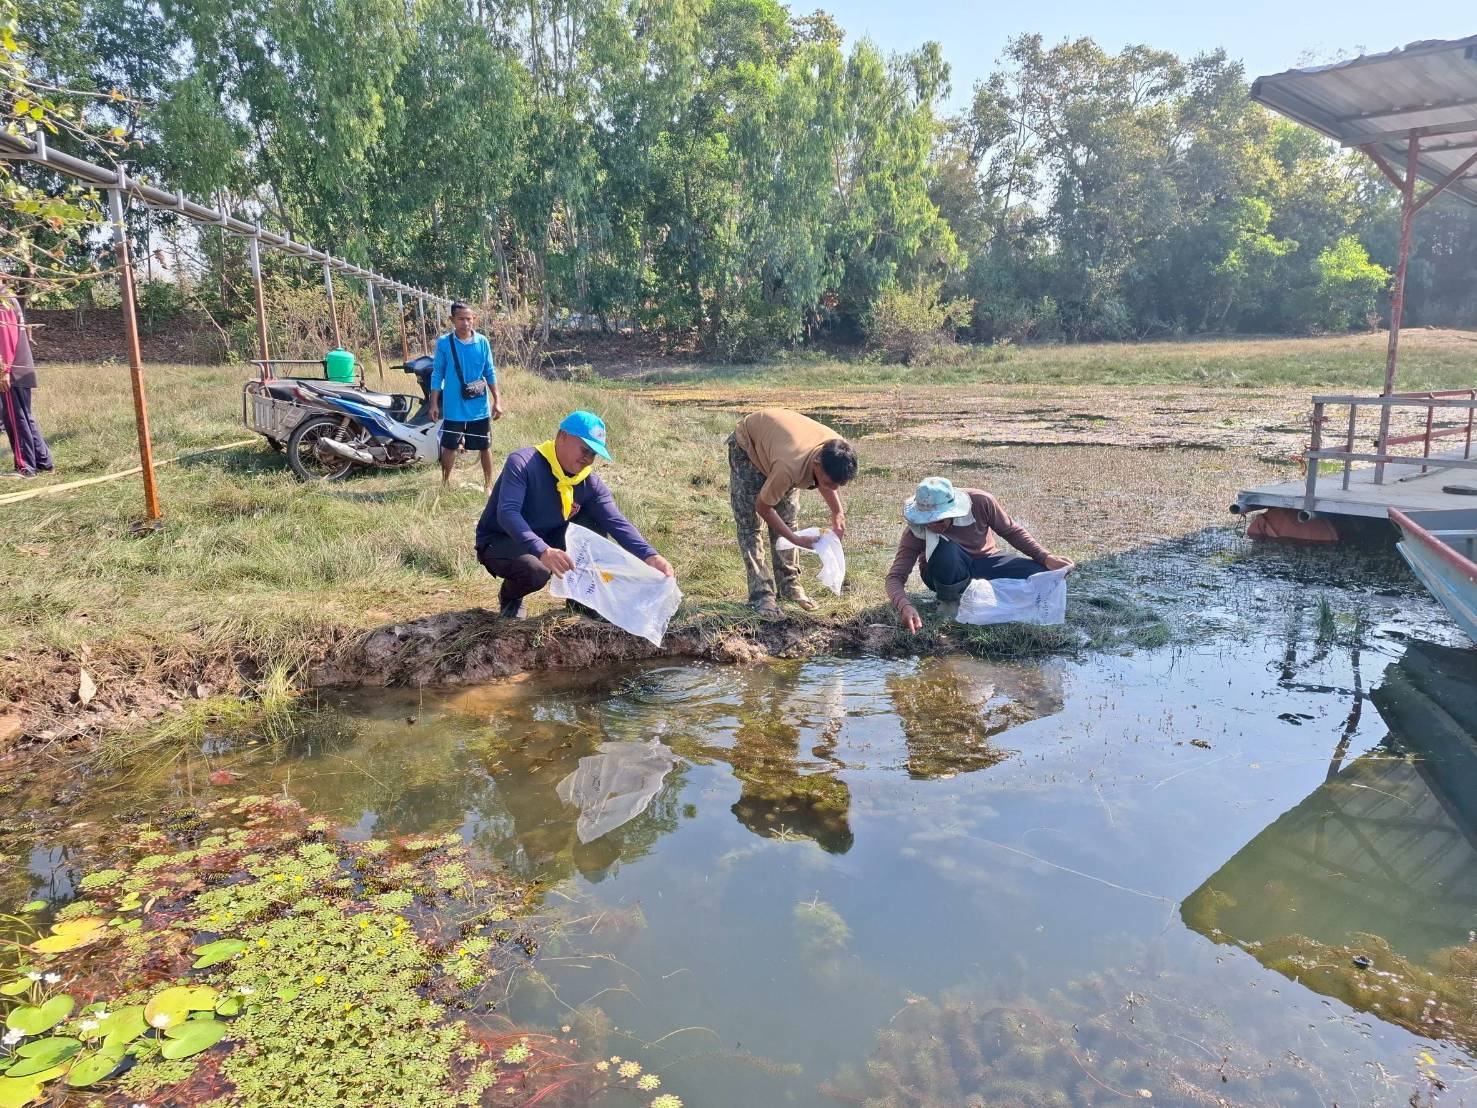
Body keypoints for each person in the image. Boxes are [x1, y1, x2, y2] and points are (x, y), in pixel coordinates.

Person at [475, 410, 674, 618]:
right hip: (500, 540)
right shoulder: (523, 463)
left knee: (595, 525)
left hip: (548, 535)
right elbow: (507, 514)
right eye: (584, 450)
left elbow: (616, 522)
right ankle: (510, 597)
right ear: (563, 436)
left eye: (593, 454)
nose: (587, 459)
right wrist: (543, 550)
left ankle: (579, 599)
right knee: (536, 571)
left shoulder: (589, 483)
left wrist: (650, 556)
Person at [886, 476, 1073, 633]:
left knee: (1040, 574)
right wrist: (905, 605)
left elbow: (1011, 532)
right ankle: (949, 602)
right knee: (946, 548)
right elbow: (895, 577)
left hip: (986, 561)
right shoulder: (915, 531)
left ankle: (990, 598)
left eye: (939, 520)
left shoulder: (981, 502)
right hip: (944, 571)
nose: (933, 525)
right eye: (928, 521)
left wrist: (1045, 557)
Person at [728, 408, 857, 618]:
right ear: (816, 465)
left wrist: (838, 513)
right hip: (749, 446)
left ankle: (790, 588)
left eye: (838, 485)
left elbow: (827, 481)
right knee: (750, 525)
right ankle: (762, 596)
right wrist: (795, 539)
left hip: (781, 447)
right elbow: (763, 507)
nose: (832, 488)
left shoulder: (838, 449)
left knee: (787, 519)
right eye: (828, 482)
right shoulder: (789, 467)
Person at [428, 301, 502, 494]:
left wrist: (497, 401)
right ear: (452, 320)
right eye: (461, 319)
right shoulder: (444, 343)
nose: (465, 323)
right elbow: (438, 373)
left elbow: (490, 372)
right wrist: (434, 403)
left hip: (479, 407)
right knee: (450, 446)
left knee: (485, 446)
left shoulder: (482, 342)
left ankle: (488, 484)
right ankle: (445, 483)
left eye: (469, 319)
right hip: (453, 406)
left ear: (474, 319)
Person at [0, 286, 52, 479]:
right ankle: (43, 462)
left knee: (14, 418)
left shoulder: (1, 298)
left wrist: (3, 371)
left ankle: (25, 467)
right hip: (20, 366)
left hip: (12, 370)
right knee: (24, 416)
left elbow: (6, 337)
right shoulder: (8, 295)